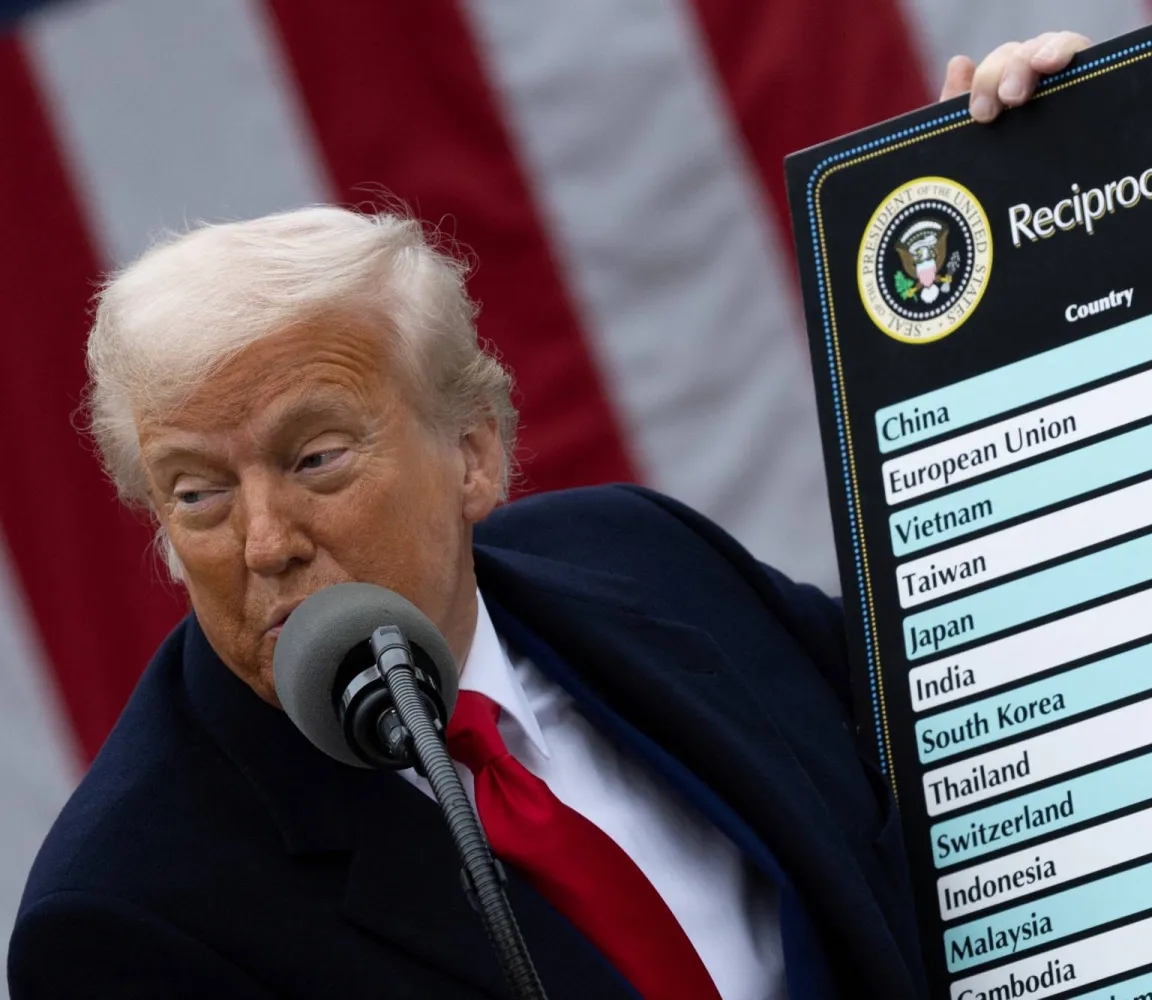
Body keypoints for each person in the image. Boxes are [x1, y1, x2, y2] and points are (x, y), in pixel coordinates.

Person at [7, 33, 1089, 1000]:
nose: (264, 541)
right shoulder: (124, 920)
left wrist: (1048, 221)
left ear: (474, 452)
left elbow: (992, 743)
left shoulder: (650, 559)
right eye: (197, 492)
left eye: (315, 459)